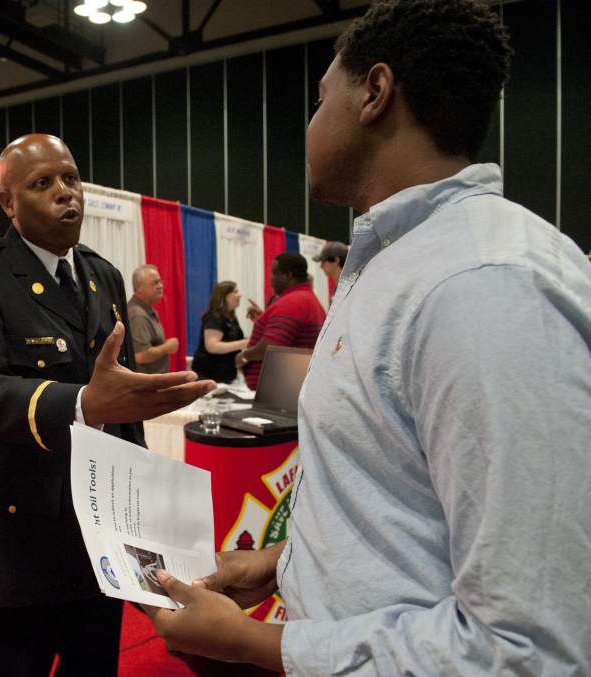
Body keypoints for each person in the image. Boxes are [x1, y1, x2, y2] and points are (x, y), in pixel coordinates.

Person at [145, 1, 591, 674]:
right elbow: (393, 498)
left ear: (374, 94)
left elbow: (528, 649)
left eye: (321, 99)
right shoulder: (394, 262)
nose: (310, 124)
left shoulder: (484, 285)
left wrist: (259, 645)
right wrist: (279, 563)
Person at [0, 133, 214, 677]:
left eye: (70, 178)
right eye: (43, 184)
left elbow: (122, 405)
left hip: (100, 539)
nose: (67, 194)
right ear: (9, 202)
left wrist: (142, 523)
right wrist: (84, 402)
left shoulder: (102, 275)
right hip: (21, 538)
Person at [236, 252, 326, 390]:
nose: (271, 279)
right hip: (287, 389)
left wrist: (244, 356)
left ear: (288, 275)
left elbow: (271, 347)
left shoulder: (293, 302)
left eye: (274, 273)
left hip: (276, 393)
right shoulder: (307, 299)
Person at [190, 281, 248, 383]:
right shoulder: (213, 317)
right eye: (235, 291)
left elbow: (233, 341)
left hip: (225, 376)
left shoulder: (231, 318)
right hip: (209, 376)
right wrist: (243, 343)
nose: (239, 295)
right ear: (225, 296)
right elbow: (212, 346)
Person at [128, 264, 179, 374]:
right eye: (155, 283)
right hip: (146, 386)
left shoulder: (146, 310)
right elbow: (140, 356)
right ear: (139, 287)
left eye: (160, 282)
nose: (160, 286)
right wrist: (167, 347)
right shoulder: (137, 314)